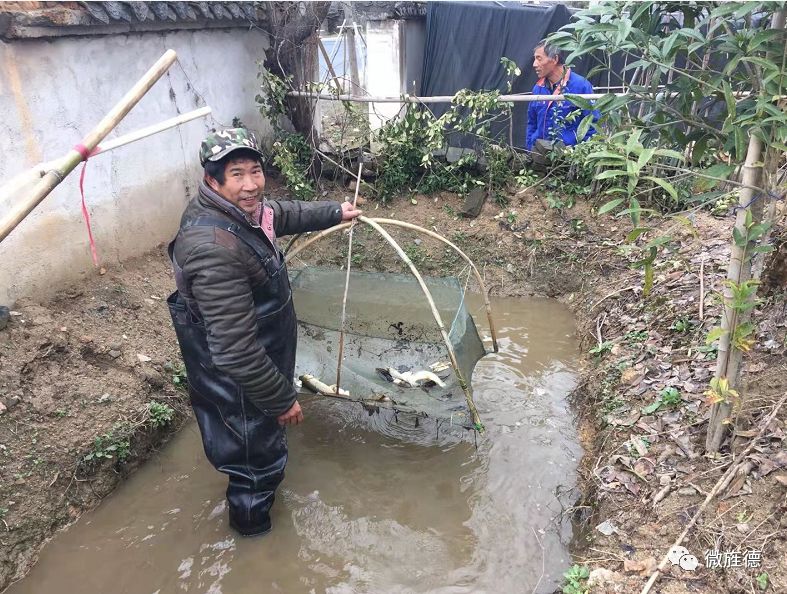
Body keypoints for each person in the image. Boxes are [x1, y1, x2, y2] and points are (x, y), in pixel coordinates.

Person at [167, 128, 361, 536]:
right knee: (255, 464)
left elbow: (282, 213)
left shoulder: (244, 212)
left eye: (255, 171)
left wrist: (334, 212)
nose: (251, 184)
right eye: (237, 174)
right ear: (212, 180)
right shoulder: (212, 246)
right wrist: (281, 400)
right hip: (237, 380)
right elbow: (235, 351)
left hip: (260, 358)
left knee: (259, 448)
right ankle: (253, 540)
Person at [526, 40, 598, 166]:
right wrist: (529, 150)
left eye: (539, 59)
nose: (534, 64)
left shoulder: (580, 86)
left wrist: (580, 157)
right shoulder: (538, 88)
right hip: (539, 160)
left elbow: (592, 124)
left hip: (568, 161)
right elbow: (532, 123)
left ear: (554, 59)